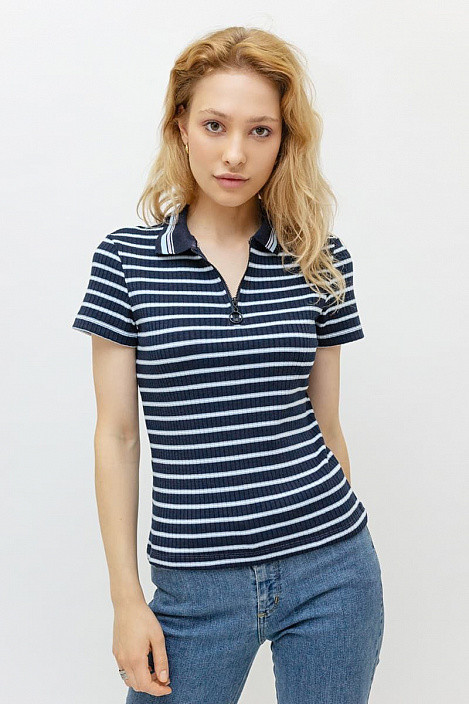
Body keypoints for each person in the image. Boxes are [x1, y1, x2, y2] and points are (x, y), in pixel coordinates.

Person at [72, 25, 384, 704]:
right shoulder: (125, 262)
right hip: (194, 588)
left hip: (331, 568)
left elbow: (327, 426)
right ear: (180, 127)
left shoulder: (319, 260)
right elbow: (117, 436)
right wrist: (126, 600)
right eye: (214, 125)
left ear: (284, 141)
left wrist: (333, 542)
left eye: (260, 131)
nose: (235, 153)